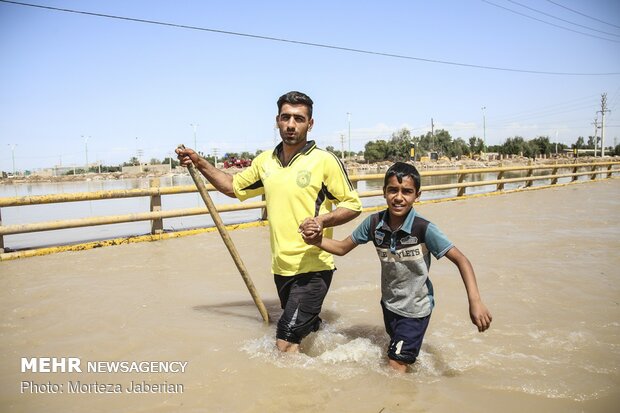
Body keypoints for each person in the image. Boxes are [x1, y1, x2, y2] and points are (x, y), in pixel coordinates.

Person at [176, 91, 362, 353]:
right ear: (277, 120)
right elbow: (232, 186)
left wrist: (322, 220)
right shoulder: (266, 162)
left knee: (284, 342)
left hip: (314, 267)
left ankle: (290, 393)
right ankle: (326, 358)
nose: (290, 124)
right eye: (285, 117)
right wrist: (200, 162)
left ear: (310, 124)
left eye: (299, 118)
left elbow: (353, 204)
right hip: (281, 267)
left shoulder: (325, 161)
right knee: (305, 330)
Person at [300, 162, 492, 372]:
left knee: (395, 366)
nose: (399, 197)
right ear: (384, 192)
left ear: (417, 195)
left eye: (407, 192)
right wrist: (317, 241)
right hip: (389, 305)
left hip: (415, 310)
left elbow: (462, 260)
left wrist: (476, 302)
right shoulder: (374, 223)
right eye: (393, 190)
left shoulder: (423, 228)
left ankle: (397, 404)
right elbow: (342, 248)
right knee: (400, 356)